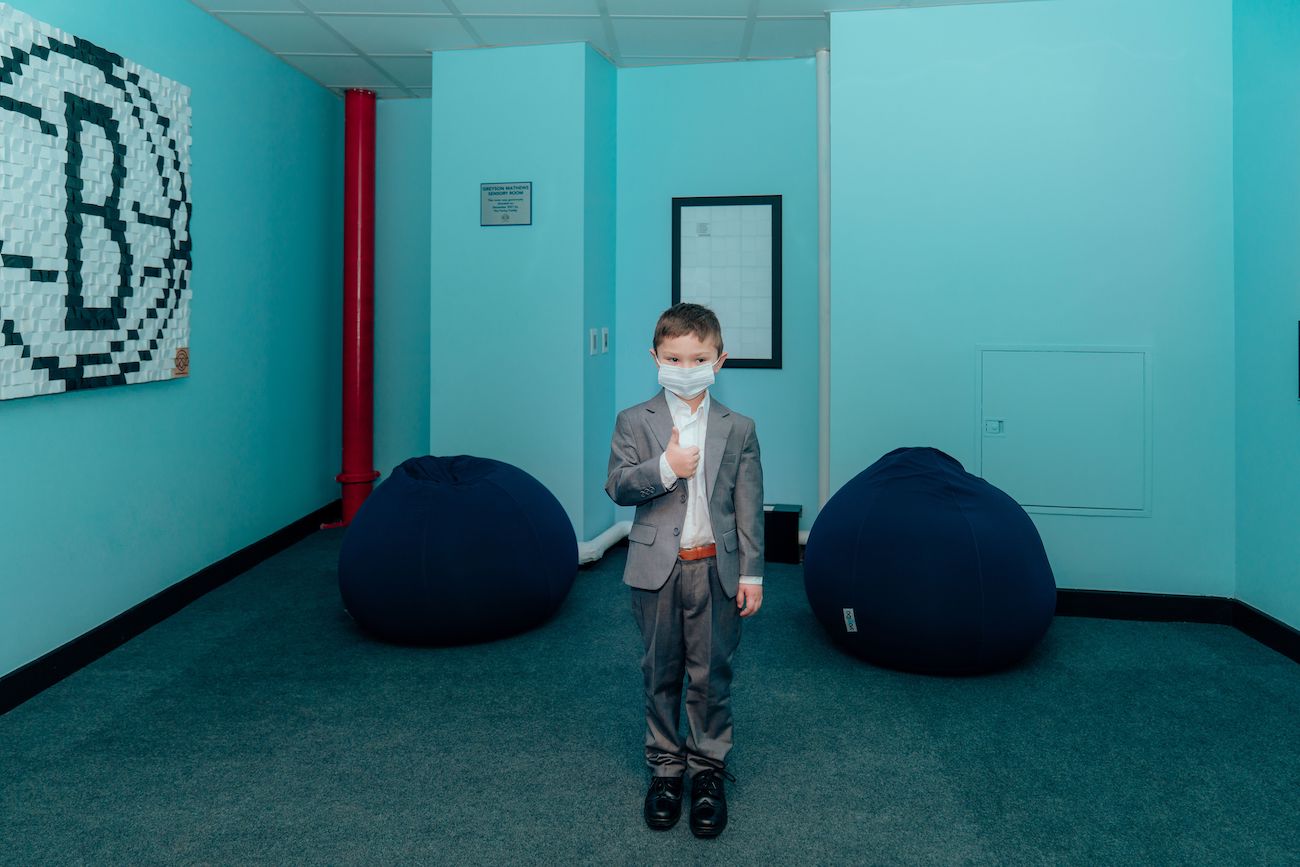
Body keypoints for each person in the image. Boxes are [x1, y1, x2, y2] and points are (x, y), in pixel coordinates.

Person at [605, 302, 765, 838]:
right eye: (673, 357)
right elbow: (619, 485)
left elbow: (748, 505)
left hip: (714, 570)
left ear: (719, 361)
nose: (685, 366)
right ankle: (667, 771)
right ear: (656, 357)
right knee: (661, 673)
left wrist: (752, 574)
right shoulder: (635, 420)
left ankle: (708, 772)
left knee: (711, 675)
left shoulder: (737, 427)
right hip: (656, 570)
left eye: (697, 357)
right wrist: (664, 469)